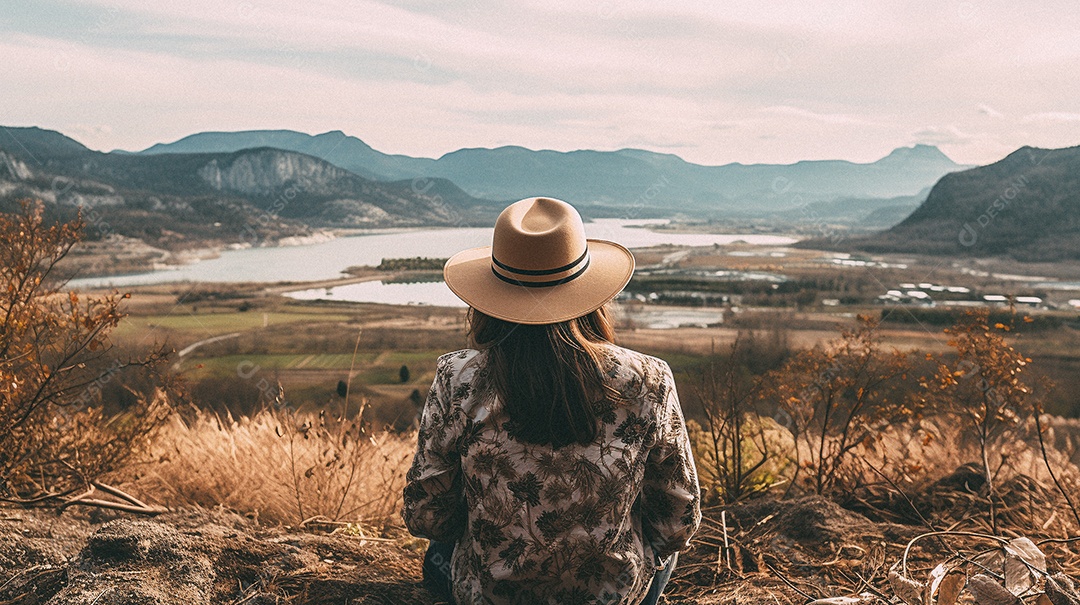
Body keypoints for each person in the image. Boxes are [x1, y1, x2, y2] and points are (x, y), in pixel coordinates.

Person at [402, 197, 701, 605]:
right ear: (590, 294)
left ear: (489, 298)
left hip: (489, 597)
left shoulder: (458, 378)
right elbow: (678, 522)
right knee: (656, 552)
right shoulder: (649, 381)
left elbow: (427, 515)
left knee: (443, 550)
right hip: (611, 597)